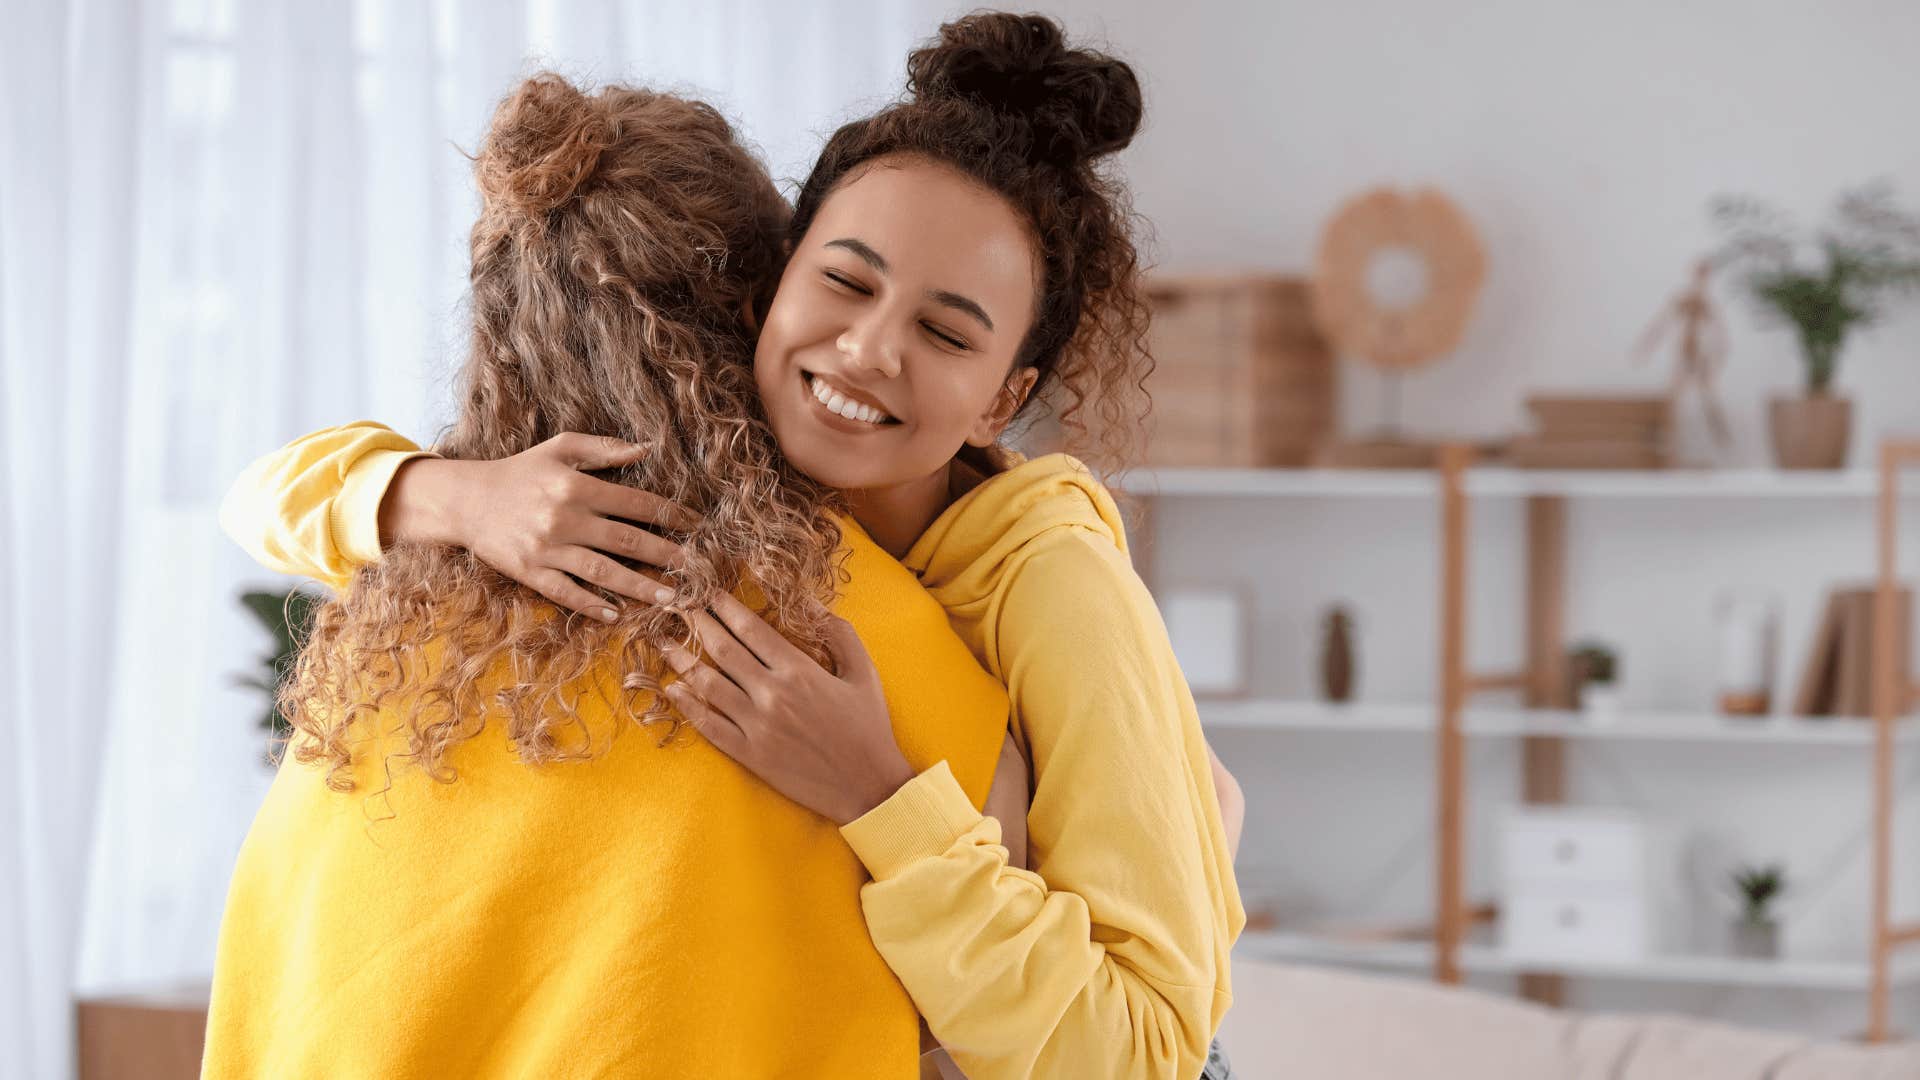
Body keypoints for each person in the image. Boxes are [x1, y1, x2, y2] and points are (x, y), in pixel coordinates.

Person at [224, 13, 1247, 1079]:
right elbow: (262, 496)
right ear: (770, 283)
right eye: (845, 282)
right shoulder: (734, 485)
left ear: (1006, 399)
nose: (865, 351)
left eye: (946, 334)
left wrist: (876, 795)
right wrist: (454, 497)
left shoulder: (1054, 586)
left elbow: (1149, 1052)